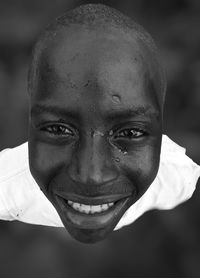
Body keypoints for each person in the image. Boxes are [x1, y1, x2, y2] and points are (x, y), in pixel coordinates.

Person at [0, 4, 199, 243]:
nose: (91, 176)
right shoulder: (5, 188)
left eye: (131, 132)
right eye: (58, 129)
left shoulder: (180, 180)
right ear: (29, 120)